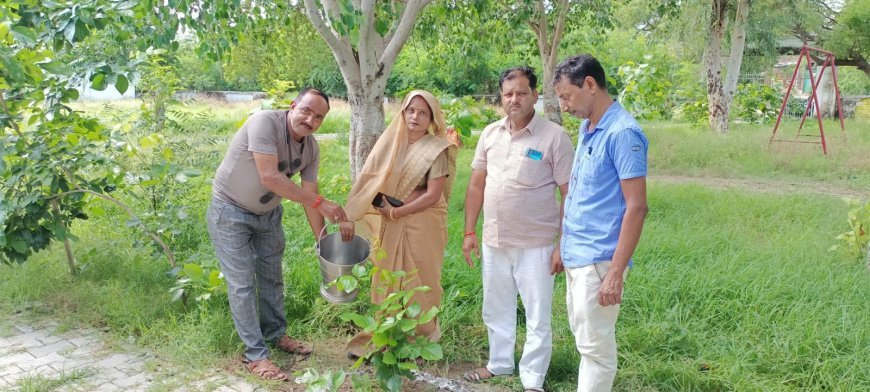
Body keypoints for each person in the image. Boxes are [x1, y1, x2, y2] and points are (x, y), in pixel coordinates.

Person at [206, 88, 348, 381]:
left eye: (318, 117)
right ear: (293, 106)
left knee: (272, 277)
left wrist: (324, 242)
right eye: (306, 111)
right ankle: (256, 356)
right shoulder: (264, 123)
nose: (310, 120)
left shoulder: (310, 149)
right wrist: (321, 203)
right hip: (230, 211)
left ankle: (277, 335)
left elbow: (311, 195)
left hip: (268, 216)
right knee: (243, 284)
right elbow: (269, 177)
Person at [461, 67, 575, 392]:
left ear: (535, 96)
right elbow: (475, 185)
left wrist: (561, 245)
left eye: (521, 93)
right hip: (494, 239)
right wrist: (469, 231)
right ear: (501, 97)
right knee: (495, 307)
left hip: (536, 244)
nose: (514, 99)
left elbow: (569, 194)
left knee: (538, 314)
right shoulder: (490, 134)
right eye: (508, 93)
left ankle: (532, 380)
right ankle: (498, 365)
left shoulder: (554, 137)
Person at [553, 54, 649, 392]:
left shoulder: (623, 133)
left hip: (600, 261)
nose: (564, 106)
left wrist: (615, 273)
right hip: (577, 254)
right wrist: (562, 245)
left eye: (567, 96)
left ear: (590, 85)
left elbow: (636, 207)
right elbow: (579, 193)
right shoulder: (587, 127)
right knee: (585, 343)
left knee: (596, 351)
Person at [340, 90, 458, 358]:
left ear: (432, 118)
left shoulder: (436, 148)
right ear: (403, 112)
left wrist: (398, 212)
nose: (415, 117)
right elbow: (373, 179)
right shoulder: (391, 143)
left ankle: (422, 337)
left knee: (421, 278)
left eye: (423, 113)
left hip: (423, 223)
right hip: (392, 220)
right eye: (410, 110)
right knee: (389, 274)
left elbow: (433, 195)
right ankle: (388, 333)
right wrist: (381, 208)